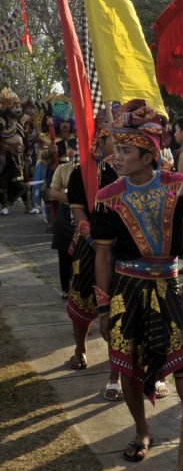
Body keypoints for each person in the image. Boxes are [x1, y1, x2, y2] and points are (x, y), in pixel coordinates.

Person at [91, 101, 183, 463]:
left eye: (126, 150)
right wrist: (103, 304)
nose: (117, 156)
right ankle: (142, 431)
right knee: (126, 363)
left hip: (169, 287)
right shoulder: (107, 198)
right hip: (127, 291)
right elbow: (103, 255)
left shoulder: (180, 187)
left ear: (148, 155)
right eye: (118, 149)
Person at [65, 126, 118, 380]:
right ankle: (80, 348)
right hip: (90, 244)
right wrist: (94, 239)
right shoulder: (81, 173)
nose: (120, 144)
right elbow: (78, 212)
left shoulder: (128, 171)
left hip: (124, 245)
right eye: (115, 140)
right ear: (100, 140)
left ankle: (118, 370)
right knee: (82, 295)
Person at [49, 138, 78, 297]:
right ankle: (66, 289)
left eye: (75, 148)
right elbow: (53, 192)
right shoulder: (62, 168)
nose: (72, 151)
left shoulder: (90, 168)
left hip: (83, 215)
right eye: (70, 148)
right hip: (65, 213)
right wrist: (75, 199)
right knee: (64, 252)